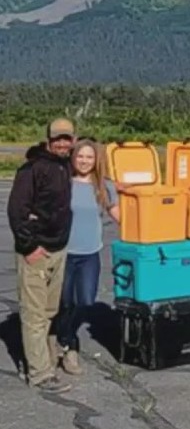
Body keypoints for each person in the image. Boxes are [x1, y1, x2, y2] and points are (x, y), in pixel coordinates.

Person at [7, 118, 76, 394]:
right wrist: (29, 246)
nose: (62, 143)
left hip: (58, 249)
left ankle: (39, 359)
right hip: (36, 252)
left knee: (49, 311)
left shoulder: (64, 166)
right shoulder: (32, 169)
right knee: (34, 315)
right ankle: (40, 374)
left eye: (67, 138)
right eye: (57, 138)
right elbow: (16, 211)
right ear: (48, 139)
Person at [53, 139, 120, 375]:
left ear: (96, 160)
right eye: (80, 156)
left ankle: (61, 337)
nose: (84, 161)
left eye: (89, 157)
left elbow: (119, 215)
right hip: (64, 253)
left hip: (90, 253)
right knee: (65, 302)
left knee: (85, 301)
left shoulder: (102, 186)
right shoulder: (64, 183)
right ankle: (69, 346)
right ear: (73, 158)